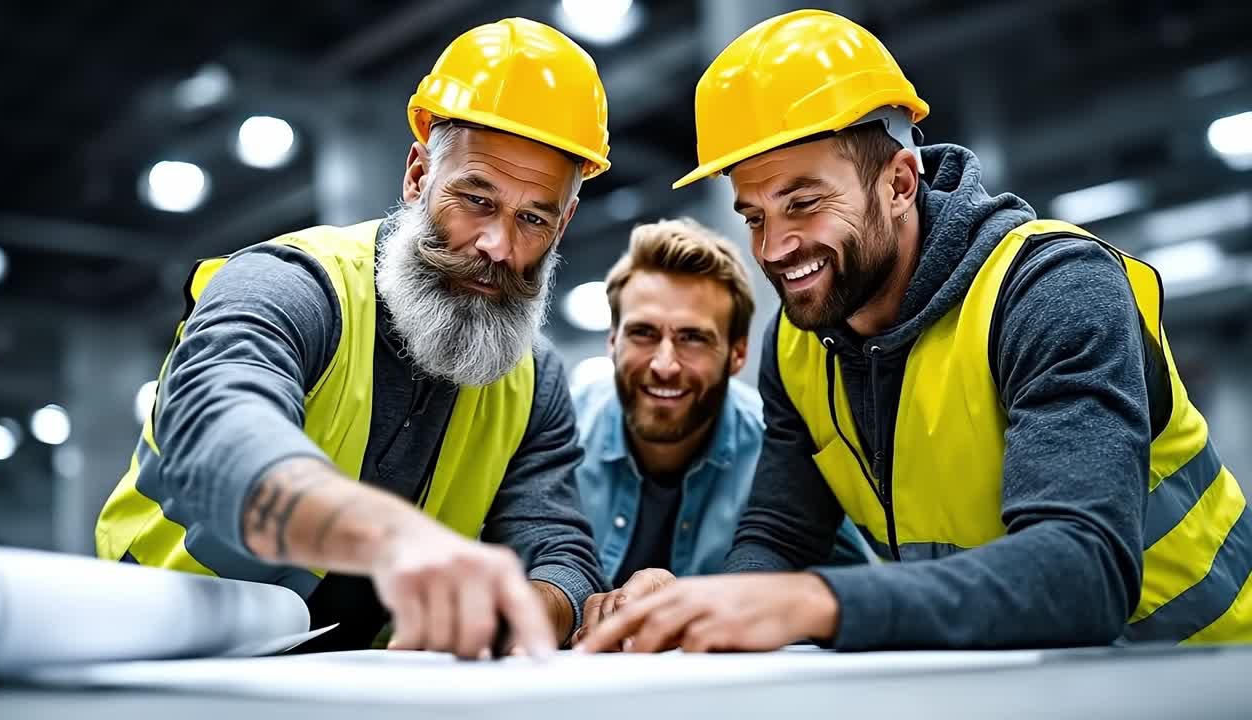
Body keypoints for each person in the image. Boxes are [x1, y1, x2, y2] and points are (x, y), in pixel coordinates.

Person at [577, 9, 1249, 653]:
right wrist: (701, 604)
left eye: (803, 204)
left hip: (1203, 670)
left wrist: (820, 601)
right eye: (753, 216)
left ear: (899, 182)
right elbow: (779, 536)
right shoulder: (800, 341)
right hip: (1017, 678)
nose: (774, 247)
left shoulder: (1052, 290)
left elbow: (1084, 571)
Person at [95, 17, 613, 660]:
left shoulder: (533, 380)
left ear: (563, 226)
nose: (499, 246)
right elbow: (217, 432)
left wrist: (535, 609)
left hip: (356, 685)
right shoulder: (288, 285)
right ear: (418, 177)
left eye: (532, 218)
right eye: (475, 200)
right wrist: (385, 537)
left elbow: (557, 544)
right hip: (158, 660)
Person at [569, 219, 869, 635]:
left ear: (737, 354)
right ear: (612, 340)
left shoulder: (786, 454)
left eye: (693, 338)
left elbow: (845, 598)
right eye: (642, 333)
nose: (664, 365)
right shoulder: (558, 437)